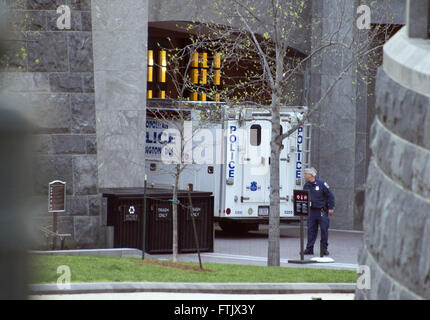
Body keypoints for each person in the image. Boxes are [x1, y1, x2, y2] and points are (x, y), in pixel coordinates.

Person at [302, 167, 335, 256]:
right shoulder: (306, 185)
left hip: (321, 211)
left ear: (311, 175)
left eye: (305, 174)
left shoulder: (321, 183)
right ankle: (309, 249)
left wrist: (331, 208)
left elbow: (330, 195)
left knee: (324, 229)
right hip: (311, 211)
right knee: (311, 230)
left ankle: (324, 249)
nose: (304, 175)